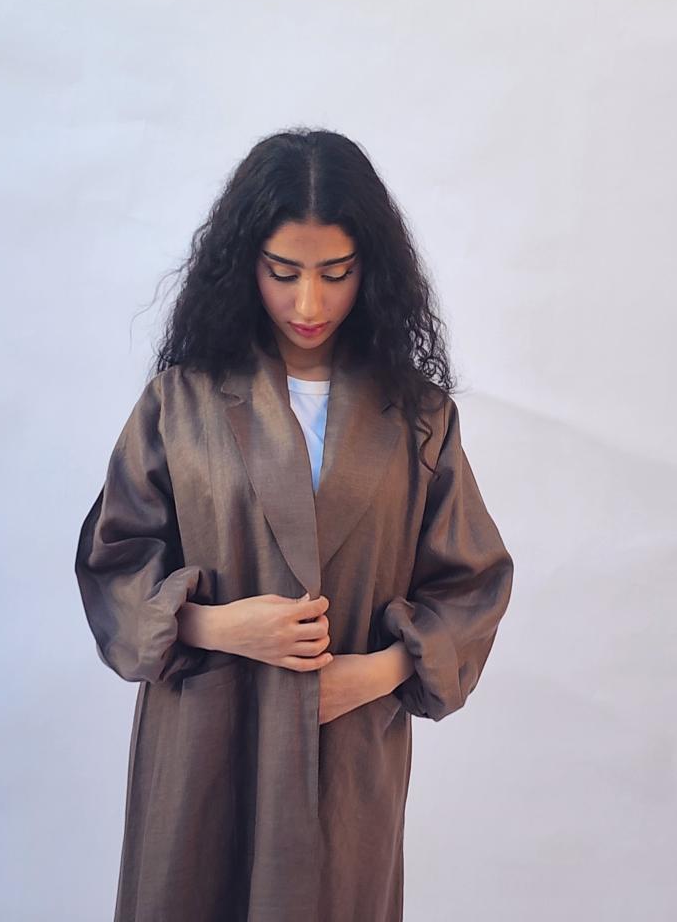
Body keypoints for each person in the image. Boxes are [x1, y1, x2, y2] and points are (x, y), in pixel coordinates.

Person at [74, 127, 514, 922]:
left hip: (346, 754)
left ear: (370, 269)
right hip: (203, 744)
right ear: (245, 264)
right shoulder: (182, 402)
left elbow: (471, 584)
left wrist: (376, 674)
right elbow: (113, 564)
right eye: (283, 272)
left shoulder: (418, 418)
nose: (309, 303)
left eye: (335, 273)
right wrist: (216, 625)